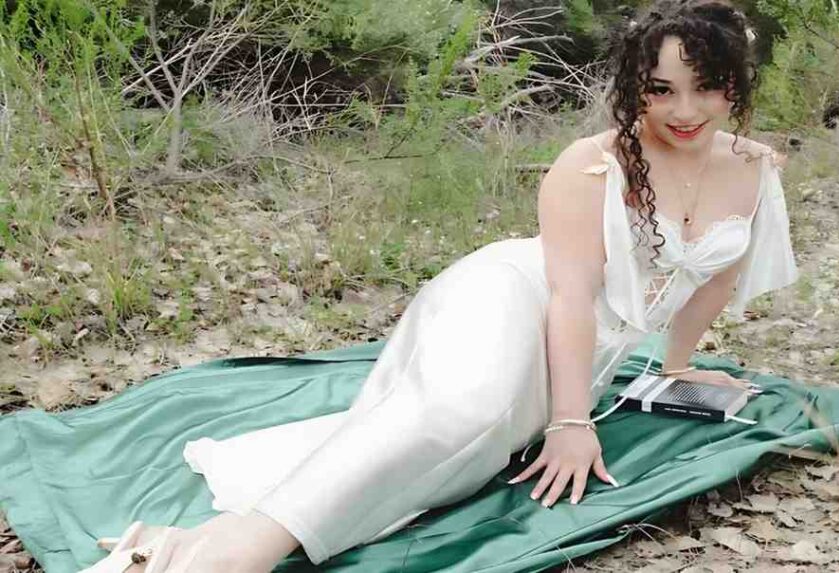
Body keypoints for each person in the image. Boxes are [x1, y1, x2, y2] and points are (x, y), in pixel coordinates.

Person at [81, 0, 798, 571]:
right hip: (512, 292)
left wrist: (676, 366)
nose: (684, 110)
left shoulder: (752, 169)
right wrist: (573, 423)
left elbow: (711, 274)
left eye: (707, 88)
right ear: (633, 89)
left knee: (474, 450)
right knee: (463, 413)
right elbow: (570, 295)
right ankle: (235, 550)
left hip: (597, 344)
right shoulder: (591, 163)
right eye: (661, 89)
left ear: (735, 84)